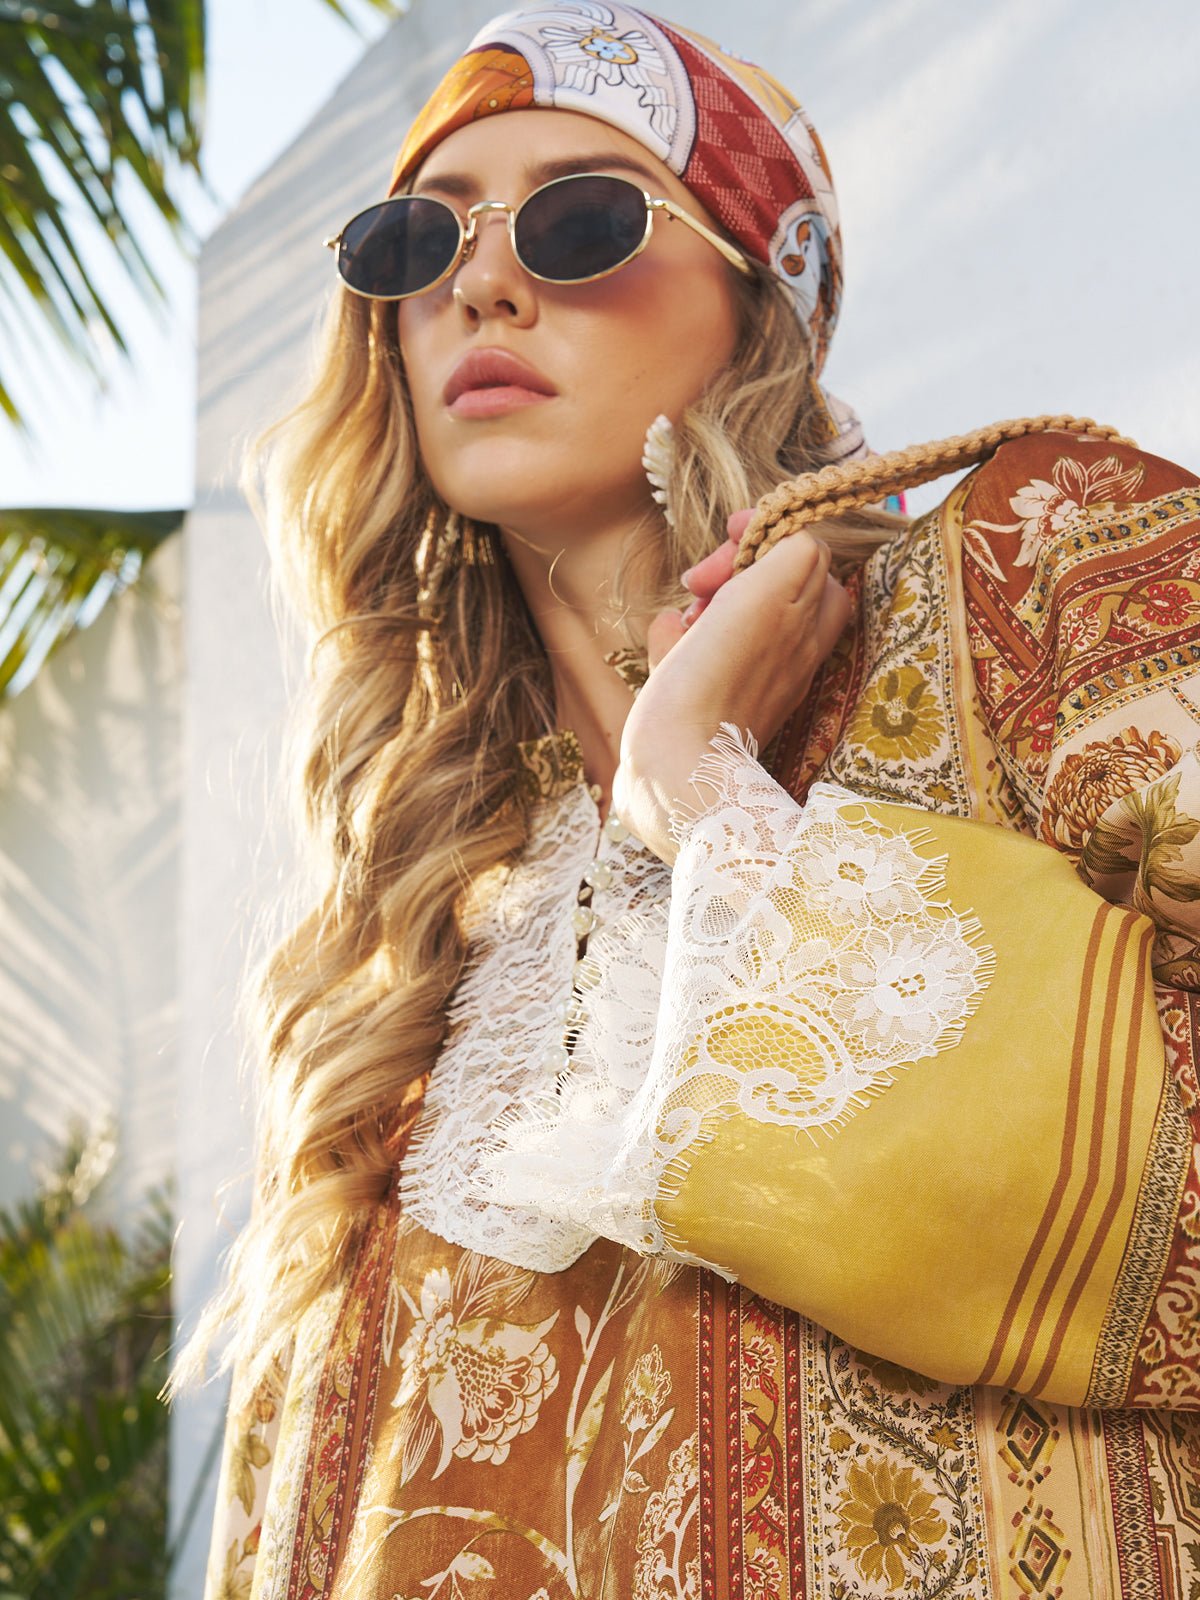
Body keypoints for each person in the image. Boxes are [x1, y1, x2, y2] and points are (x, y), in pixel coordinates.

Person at [173, 5, 1200, 1597]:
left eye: (583, 219)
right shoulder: (409, 938)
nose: (480, 281)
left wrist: (710, 804)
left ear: (758, 300)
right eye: (413, 240)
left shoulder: (1043, 564)